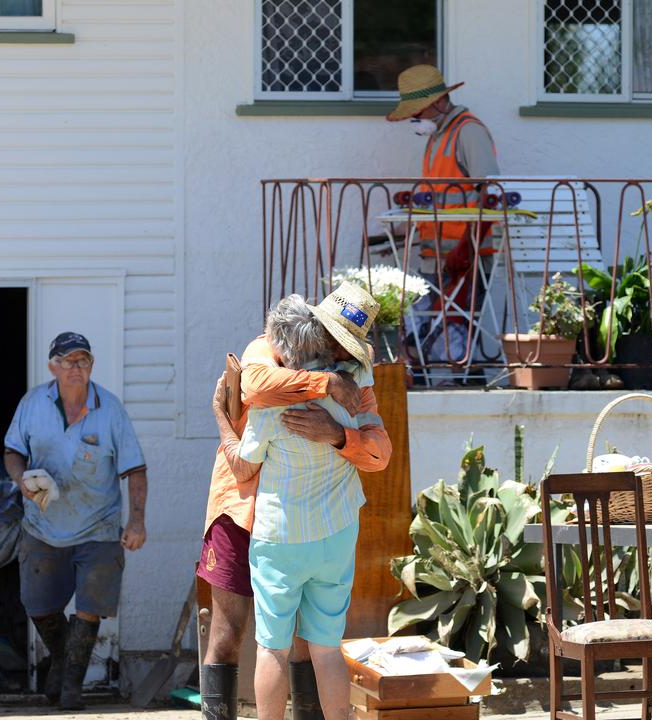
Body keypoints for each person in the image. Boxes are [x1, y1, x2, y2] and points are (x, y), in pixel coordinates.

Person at [200, 283, 391, 720]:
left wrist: (340, 434)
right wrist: (326, 384)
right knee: (235, 634)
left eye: (346, 347)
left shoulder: (352, 380)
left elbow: (380, 453)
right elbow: (256, 383)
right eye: (334, 342)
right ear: (317, 329)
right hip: (248, 511)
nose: (339, 354)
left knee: (278, 646)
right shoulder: (281, 357)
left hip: (278, 529)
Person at [3, 331, 147, 710]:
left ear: (91, 365)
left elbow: (135, 468)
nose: (75, 368)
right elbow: (12, 451)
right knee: (37, 606)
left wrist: (136, 522)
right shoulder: (33, 403)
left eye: (82, 360)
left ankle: (71, 687)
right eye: (67, 361)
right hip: (42, 525)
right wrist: (21, 481)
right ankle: (63, 662)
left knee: (89, 606)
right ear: (53, 366)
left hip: (97, 526)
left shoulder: (110, 409)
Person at [387, 64, 500, 367]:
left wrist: (467, 250)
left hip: (466, 257)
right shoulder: (439, 136)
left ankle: (458, 384)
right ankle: (428, 376)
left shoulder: (468, 132)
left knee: (453, 335)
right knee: (427, 326)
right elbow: (442, 196)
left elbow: (490, 194)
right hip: (435, 255)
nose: (415, 118)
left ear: (437, 102)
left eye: (418, 111)